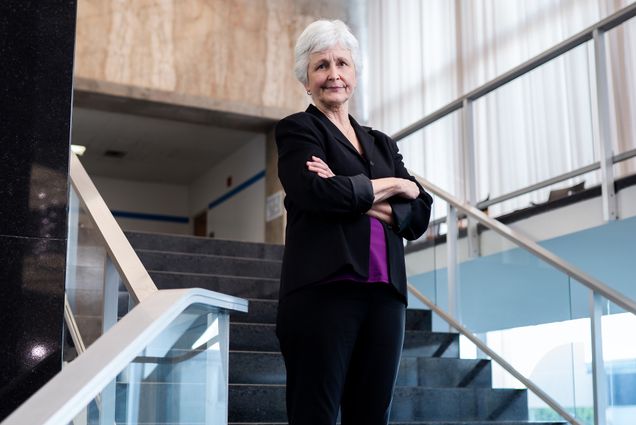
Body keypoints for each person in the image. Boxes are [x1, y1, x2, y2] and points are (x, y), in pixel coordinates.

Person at [274, 19, 433, 425]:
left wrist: (353, 192)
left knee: (371, 415)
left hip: (386, 296)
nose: (333, 75)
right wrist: (396, 185)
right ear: (306, 81)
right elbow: (314, 193)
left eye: (342, 63)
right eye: (321, 66)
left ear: (355, 74)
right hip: (323, 290)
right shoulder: (299, 130)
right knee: (317, 414)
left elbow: (419, 214)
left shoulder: (382, 142)